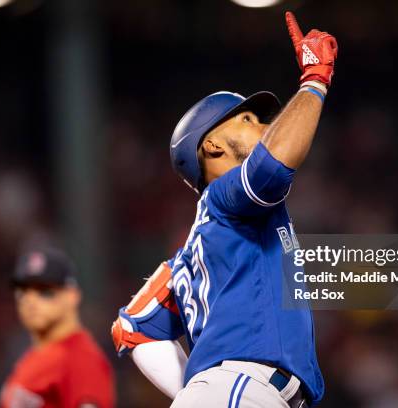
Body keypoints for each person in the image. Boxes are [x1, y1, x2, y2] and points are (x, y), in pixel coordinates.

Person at [111, 11, 337, 407]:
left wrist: (195, 392)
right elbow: (270, 166)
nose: (264, 126)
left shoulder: (189, 258)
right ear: (211, 147)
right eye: (248, 119)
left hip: (236, 393)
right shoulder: (224, 199)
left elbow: (132, 327)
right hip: (241, 389)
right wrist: (314, 81)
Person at [1, 248, 115, 408]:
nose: (31, 301)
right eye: (23, 292)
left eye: (45, 292)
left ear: (72, 296)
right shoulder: (33, 357)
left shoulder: (81, 360)